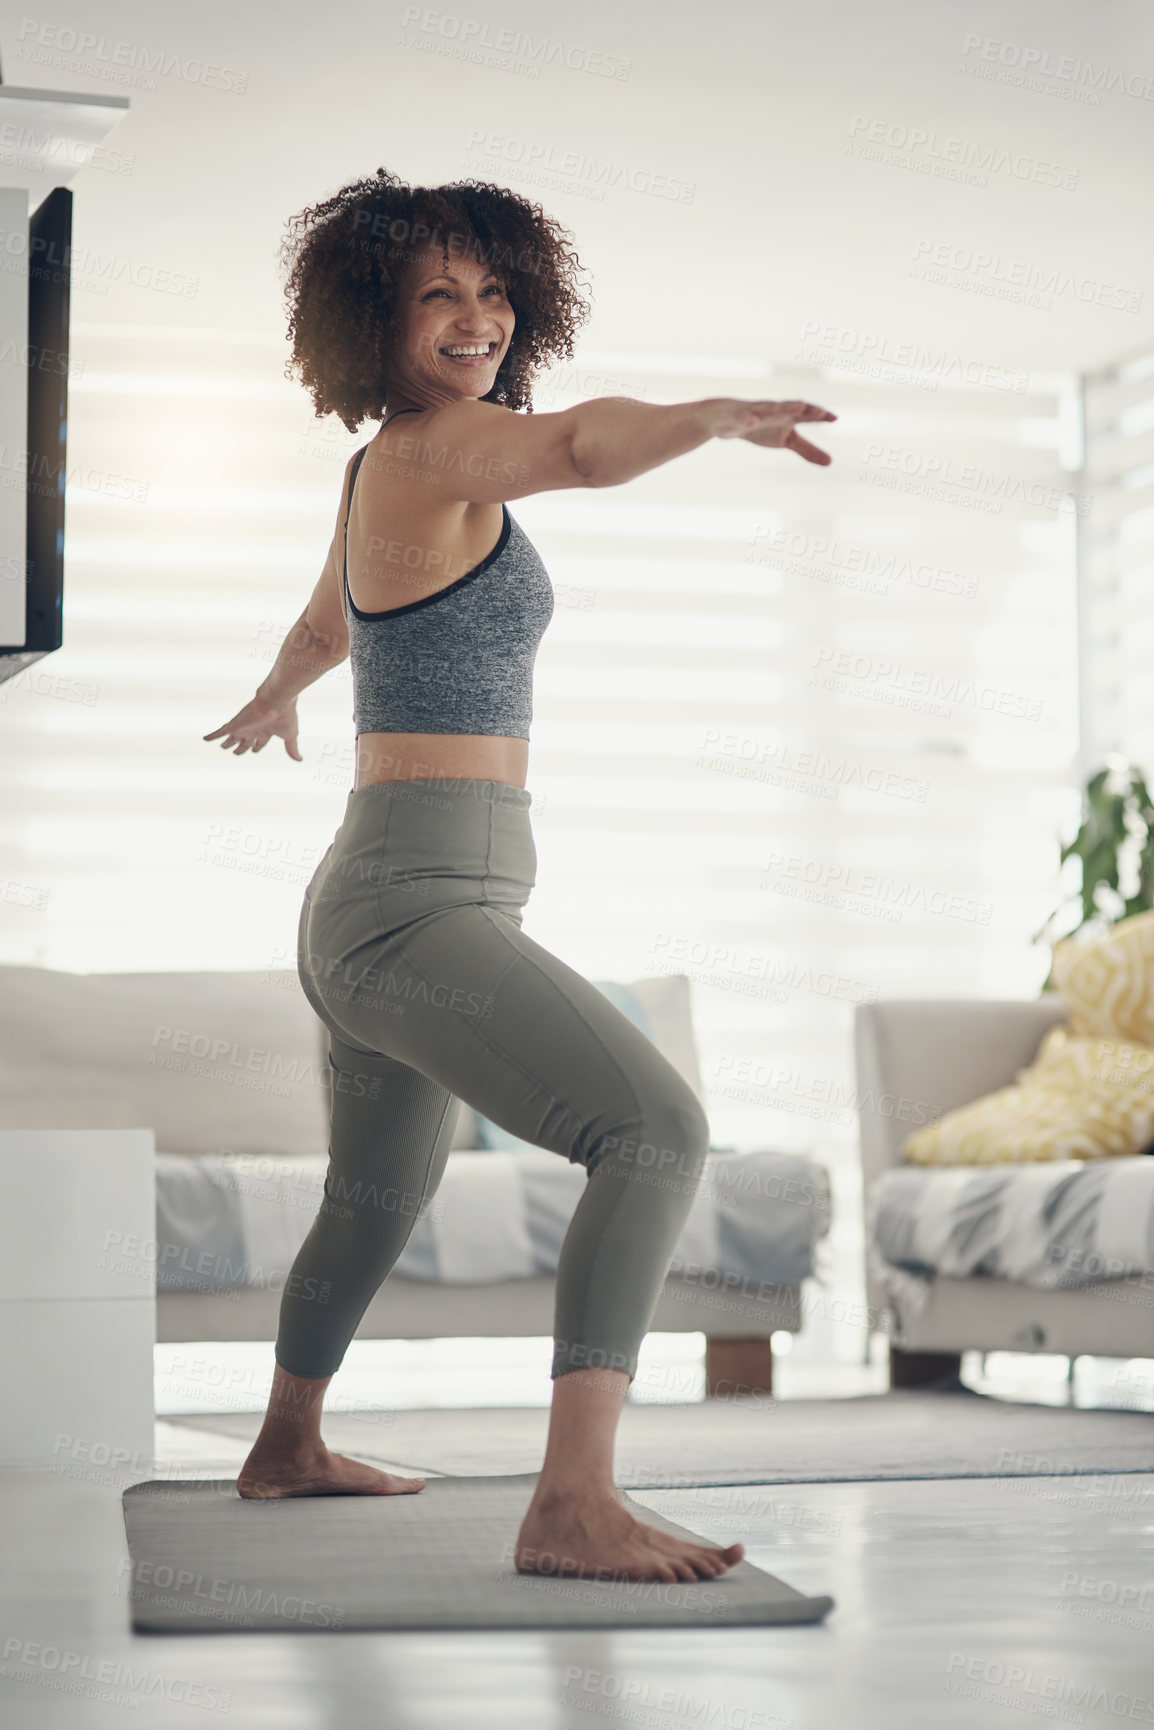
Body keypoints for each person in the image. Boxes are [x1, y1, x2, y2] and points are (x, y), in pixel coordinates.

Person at [204, 169, 836, 1585]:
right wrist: (711, 418)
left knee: (374, 1196)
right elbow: (586, 451)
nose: (474, 316)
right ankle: (572, 1502)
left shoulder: (386, 464)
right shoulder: (447, 450)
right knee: (657, 1128)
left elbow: (324, 622)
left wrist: (273, 693)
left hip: (368, 901)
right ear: (374, 315)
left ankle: (286, 1442)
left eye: (493, 291)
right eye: (438, 291)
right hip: (415, 900)